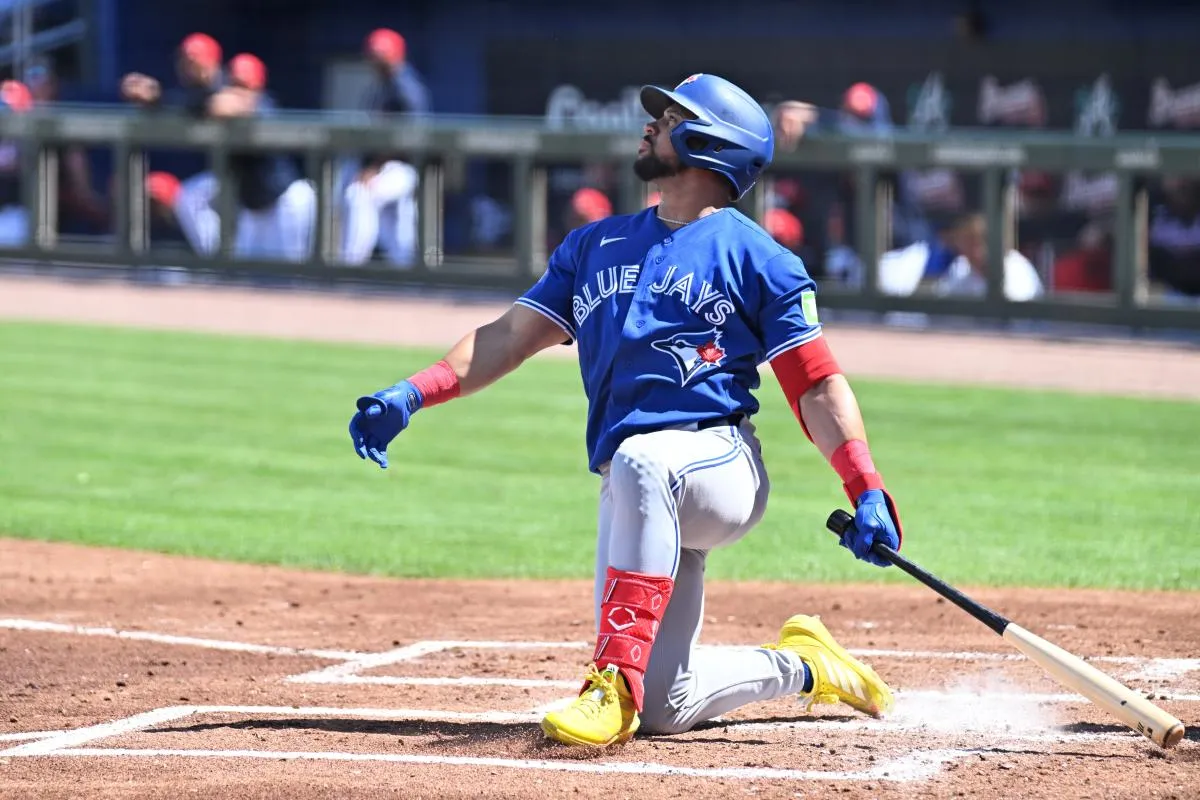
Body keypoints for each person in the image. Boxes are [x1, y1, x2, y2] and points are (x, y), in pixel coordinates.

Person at [347, 72, 901, 748]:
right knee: (668, 704)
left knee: (643, 465)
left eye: (669, 117)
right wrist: (413, 391)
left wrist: (865, 487)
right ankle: (809, 666)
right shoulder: (594, 245)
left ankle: (610, 680)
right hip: (637, 484)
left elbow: (813, 385)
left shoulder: (761, 258)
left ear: (708, 142)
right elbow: (509, 337)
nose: (650, 124)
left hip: (718, 465)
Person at [172, 53, 316, 261]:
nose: (238, 91)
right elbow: (197, 103)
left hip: (285, 202)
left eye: (244, 85)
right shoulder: (215, 103)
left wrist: (218, 103)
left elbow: (236, 107)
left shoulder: (266, 105)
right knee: (242, 277)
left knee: (291, 279)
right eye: (234, 84)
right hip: (253, 207)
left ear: (257, 86)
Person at [339, 28, 430, 268]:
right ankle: (404, 272)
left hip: (402, 167)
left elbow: (408, 136)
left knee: (360, 196)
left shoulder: (406, 87)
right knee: (390, 225)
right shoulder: (380, 86)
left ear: (396, 55)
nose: (375, 60)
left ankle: (351, 265)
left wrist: (374, 168)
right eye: (374, 55)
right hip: (383, 167)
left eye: (381, 55)